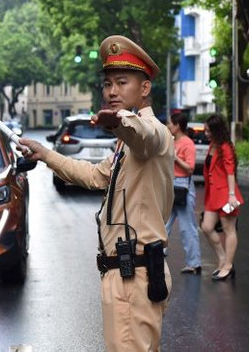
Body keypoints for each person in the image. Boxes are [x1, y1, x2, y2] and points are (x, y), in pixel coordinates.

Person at [18, 35, 174, 352]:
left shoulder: (153, 134)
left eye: (121, 82)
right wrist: (45, 154)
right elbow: (93, 175)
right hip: (126, 275)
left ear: (144, 88)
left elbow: (144, 133)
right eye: (107, 84)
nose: (112, 91)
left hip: (135, 274)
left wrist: (119, 121)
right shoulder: (127, 146)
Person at [200, 113, 243, 281]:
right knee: (207, 227)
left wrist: (232, 195)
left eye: (209, 130)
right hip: (214, 193)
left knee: (229, 230)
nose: (206, 133)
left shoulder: (225, 146)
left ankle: (228, 266)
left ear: (216, 130)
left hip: (226, 194)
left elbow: (230, 171)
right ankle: (222, 259)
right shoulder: (213, 144)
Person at [164, 112, 201, 275]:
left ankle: (194, 263)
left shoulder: (187, 143)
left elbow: (190, 168)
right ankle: (156, 255)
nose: (168, 126)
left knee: (187, 227)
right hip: (170, 184)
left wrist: (175, 158)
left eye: (170, 124)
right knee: (162, 224)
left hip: (182, 186)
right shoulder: (172, 141)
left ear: (177, 125)